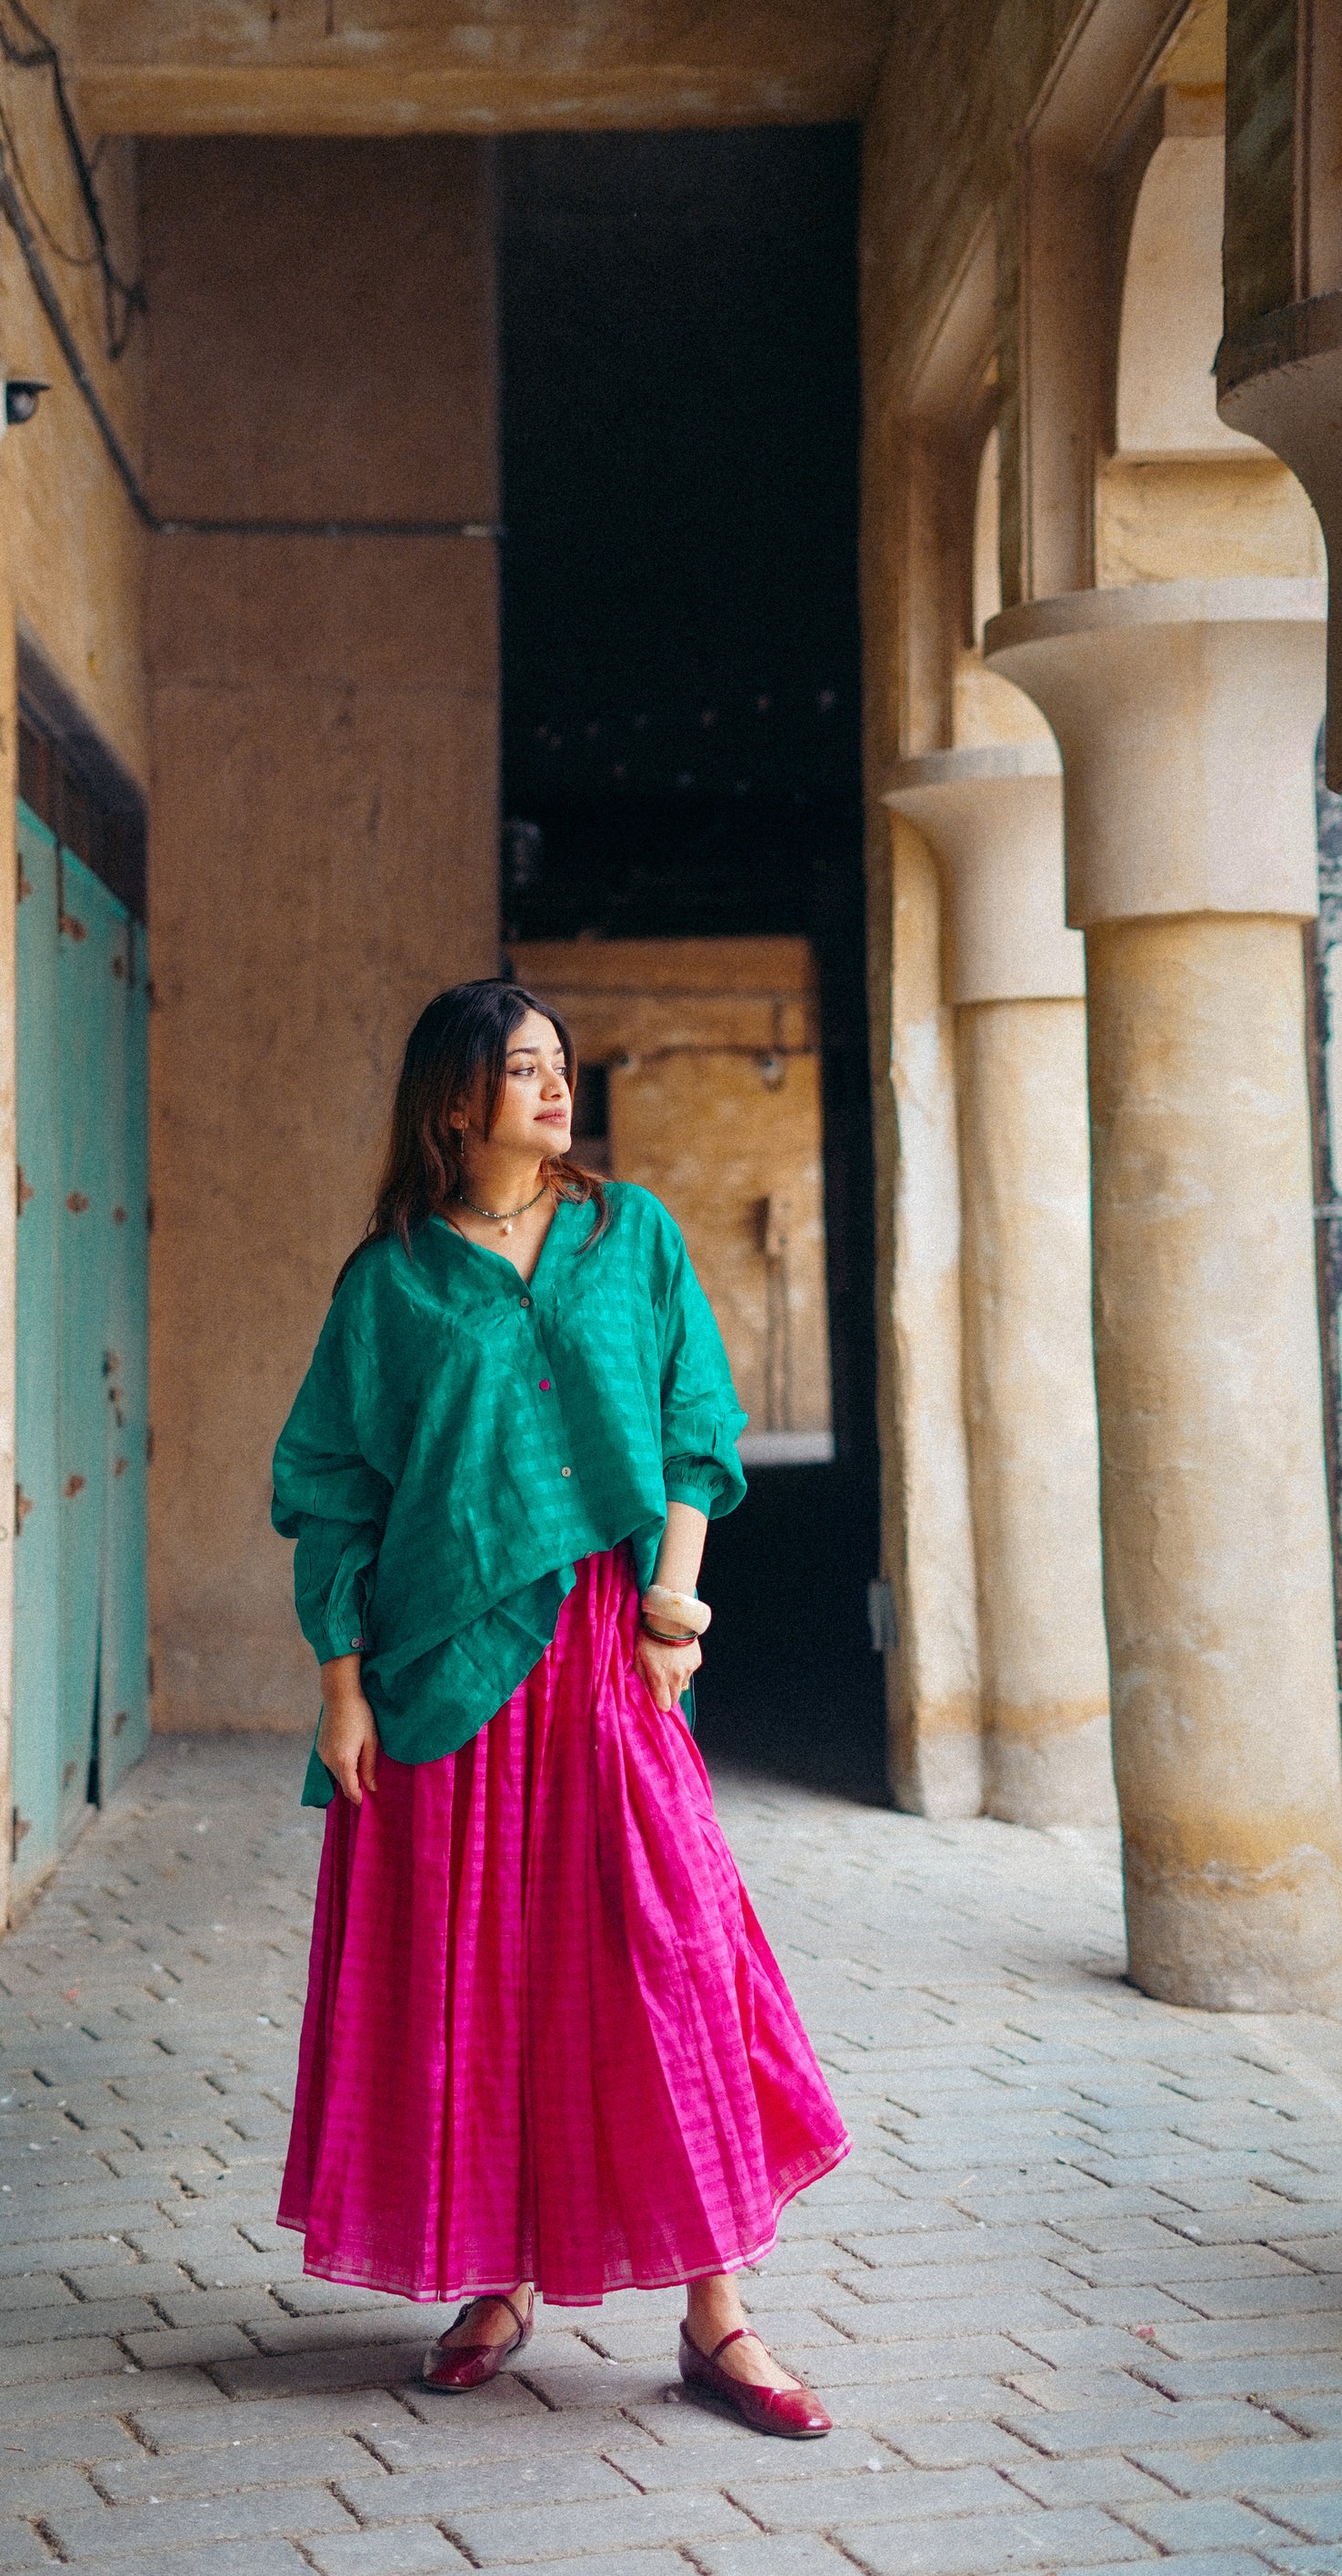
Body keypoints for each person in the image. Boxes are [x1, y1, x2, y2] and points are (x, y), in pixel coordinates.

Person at [271, 979, 848, 2435]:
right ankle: (497, 2279)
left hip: (602, 1646)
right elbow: (334, 1488)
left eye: (556, 1064)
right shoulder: (391, 1281)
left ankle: (717, 2313)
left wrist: (671, 1605)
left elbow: (691, 1425)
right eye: (517, 1068)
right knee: (480, 1970)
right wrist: (340, 1689)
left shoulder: (627, 1235)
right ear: (452, 1101)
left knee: (666, 1953)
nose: (548, 1086)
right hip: (446, 1674)